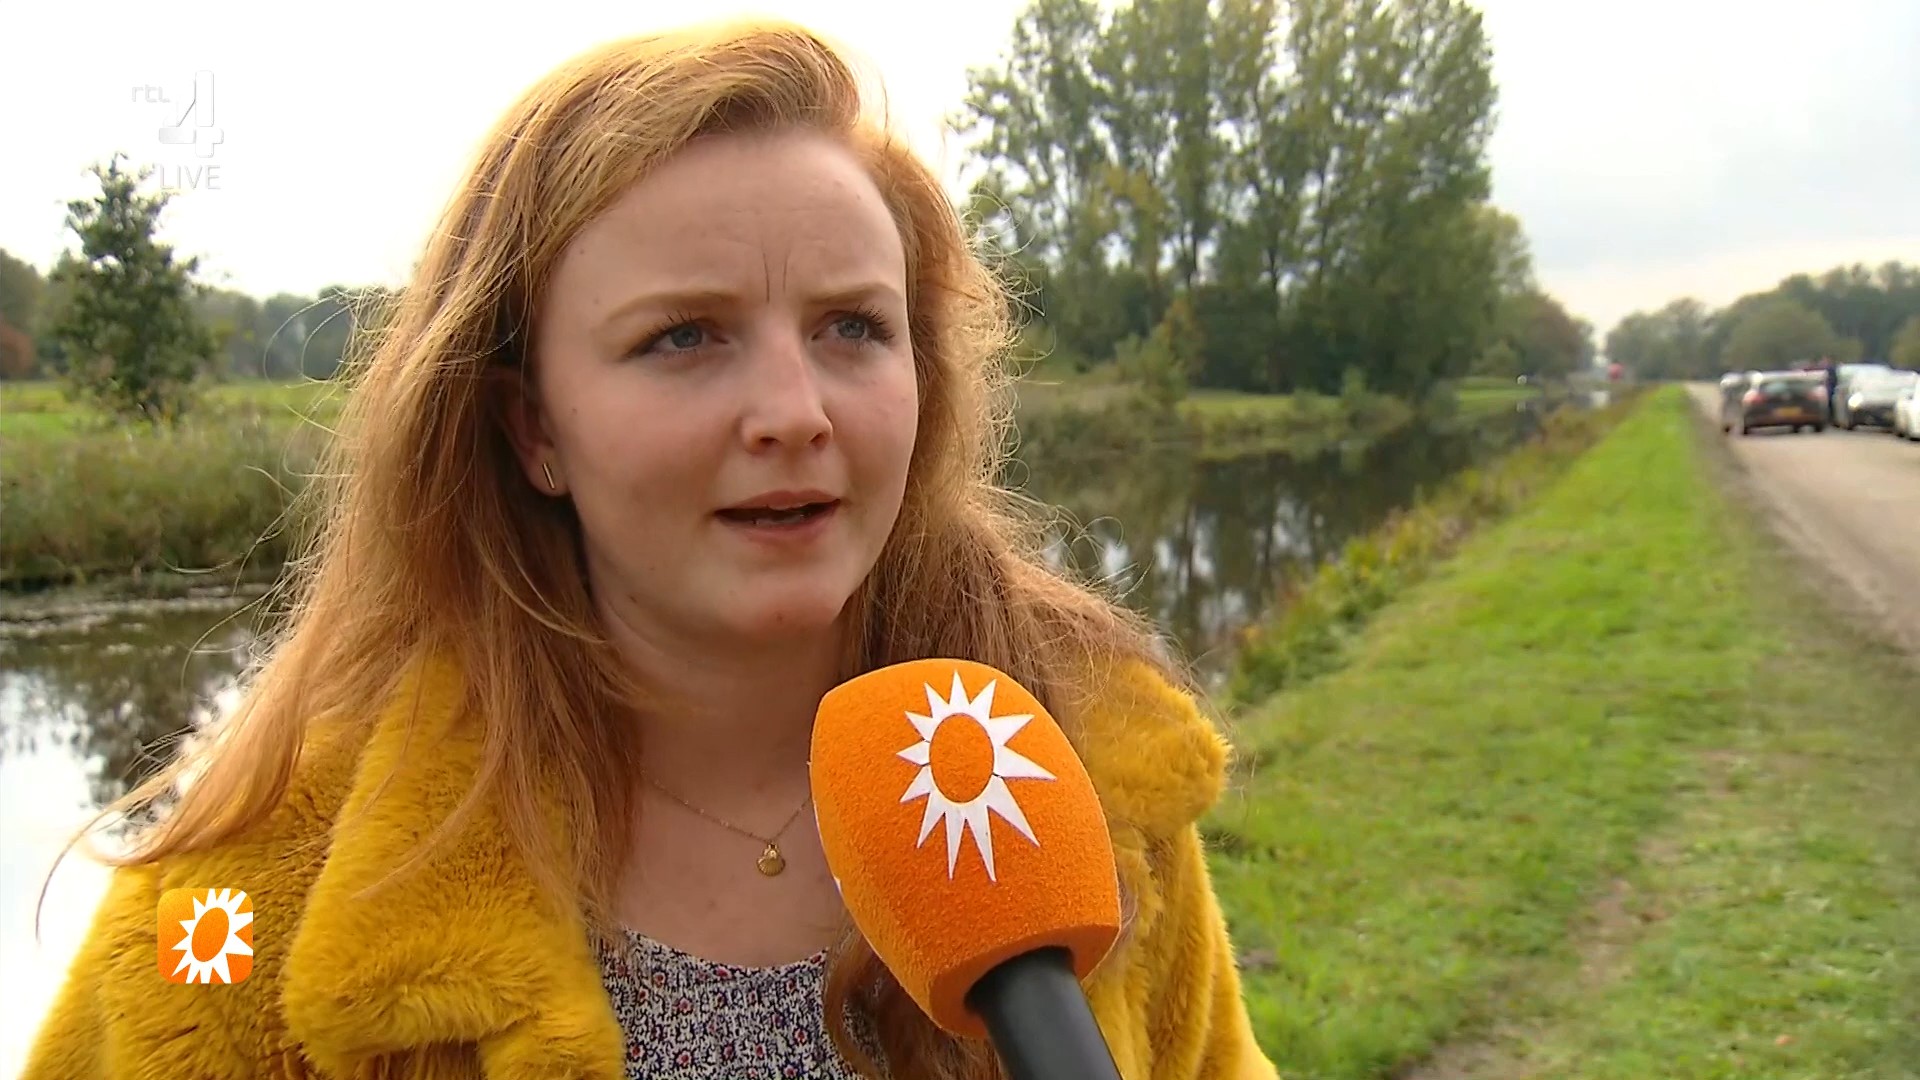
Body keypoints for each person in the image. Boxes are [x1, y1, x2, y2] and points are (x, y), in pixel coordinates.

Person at [23, 18, 1278, 1080]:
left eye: (853, 326)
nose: (796, 411)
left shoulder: (1076, 763)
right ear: (532, 427)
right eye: (684, 336)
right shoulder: (247, 896)